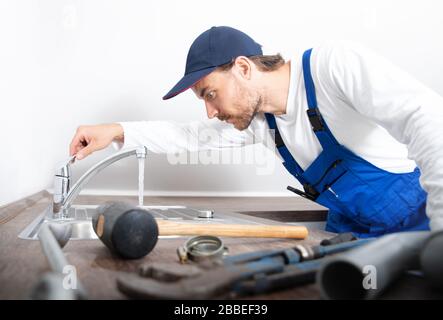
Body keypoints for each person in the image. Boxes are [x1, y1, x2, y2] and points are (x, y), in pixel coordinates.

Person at [69, 26, 443, 237]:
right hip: (358, 233)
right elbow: (189, 137)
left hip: (421, 222)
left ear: (244, 68)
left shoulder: (333, 66)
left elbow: (427, 118)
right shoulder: (262, 123)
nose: (211, 112)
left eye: (210, 94)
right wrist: (117, 131)